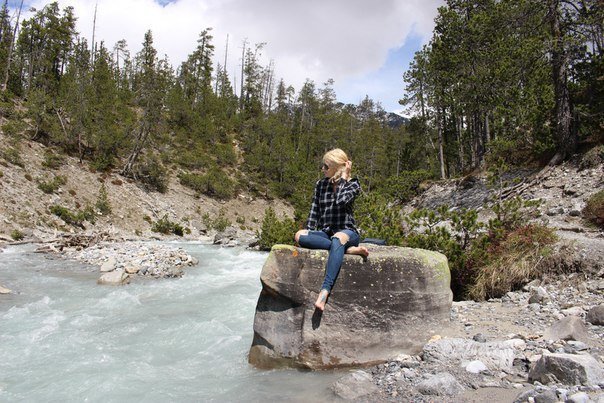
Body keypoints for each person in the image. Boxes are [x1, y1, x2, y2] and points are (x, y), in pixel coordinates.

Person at [294, 148, 369, 311]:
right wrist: (309, 232)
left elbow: (341, 201)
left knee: (338, 239)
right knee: (299, 236)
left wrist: (344, 178)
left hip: (347, 232)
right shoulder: (320, 185)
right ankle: (345, 250)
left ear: (336, 167)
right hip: (327, 232)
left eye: (326, 166)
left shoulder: (353, 184)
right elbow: (314, 211)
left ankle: (324, 291)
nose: (323, 169)